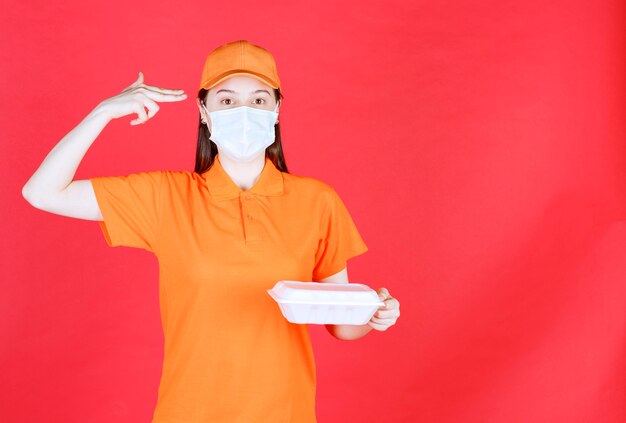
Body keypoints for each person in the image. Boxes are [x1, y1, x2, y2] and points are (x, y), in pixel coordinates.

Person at [21, 39, 401, 423]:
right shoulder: (166, 197)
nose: (243, 112)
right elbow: (42, 192)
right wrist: (102, 113)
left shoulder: (317, 201)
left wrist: (372, 313)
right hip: (189, 411)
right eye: (226, 100)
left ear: (277, 109)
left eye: (258, 100)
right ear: (204, 111)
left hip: (286, 412)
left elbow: (341, 324)